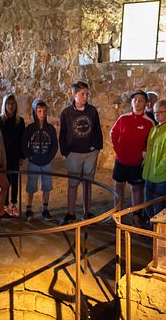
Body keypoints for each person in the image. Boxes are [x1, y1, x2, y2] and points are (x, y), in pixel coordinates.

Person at [59, 81, 103, 225]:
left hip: (90, 153)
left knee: (88, 182)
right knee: (73, 183)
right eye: (82, 94)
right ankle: (71, 213)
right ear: (74, 94)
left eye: (87, 94)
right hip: (74, 153)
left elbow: (97, 129)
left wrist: (97, 147)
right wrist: (66, 151)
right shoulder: (66, 112)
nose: (85, 97)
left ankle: (87, 212)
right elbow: (63, 133)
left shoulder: (92, 111)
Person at [110, 90, 155, 226]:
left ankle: (137, 215)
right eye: (135, 99)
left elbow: (151, 142)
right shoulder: (123, 118)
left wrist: (144, 153)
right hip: (121, 161)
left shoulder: (149, 123)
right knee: (119, 186)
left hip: (137, 163)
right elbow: (113, 133)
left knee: (137, 189)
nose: (137, 102)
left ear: (146, 103)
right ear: (131, 102)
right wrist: (118, 150)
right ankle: (117, 213)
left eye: (141, 100)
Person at [21, 99, 58, 222]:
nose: (42, 114)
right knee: (31, 185)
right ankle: (28, 208)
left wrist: (50, 157)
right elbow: (24, 144)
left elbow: (54, 145)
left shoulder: (50, 129)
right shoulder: (30, 129)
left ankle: (45, 209)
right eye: (39, 111)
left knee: (46, 186)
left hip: (46, 162)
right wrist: (30, 156)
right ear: (34, 112)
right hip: (34, 162)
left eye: (44, 111)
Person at [142, 99, 166, 218]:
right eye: (156, 112)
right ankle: (151, 227)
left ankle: (157, 232)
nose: (157, 115)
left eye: (161, 112)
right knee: (148, 204)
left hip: (160, 177)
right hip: (149, 175)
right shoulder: (154, 129)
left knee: (159, 207)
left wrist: (157, 170)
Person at [0, 94, 25, 217]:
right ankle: (5, 205)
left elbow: (22, 140)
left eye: (12, 104)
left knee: (14, 180)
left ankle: (13, 204)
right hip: (4, 155)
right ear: (4, 105)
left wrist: (22, 156)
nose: (11, 106)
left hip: (15, 155)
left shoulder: (20, 121)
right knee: (5, 180)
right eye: (8, 104)